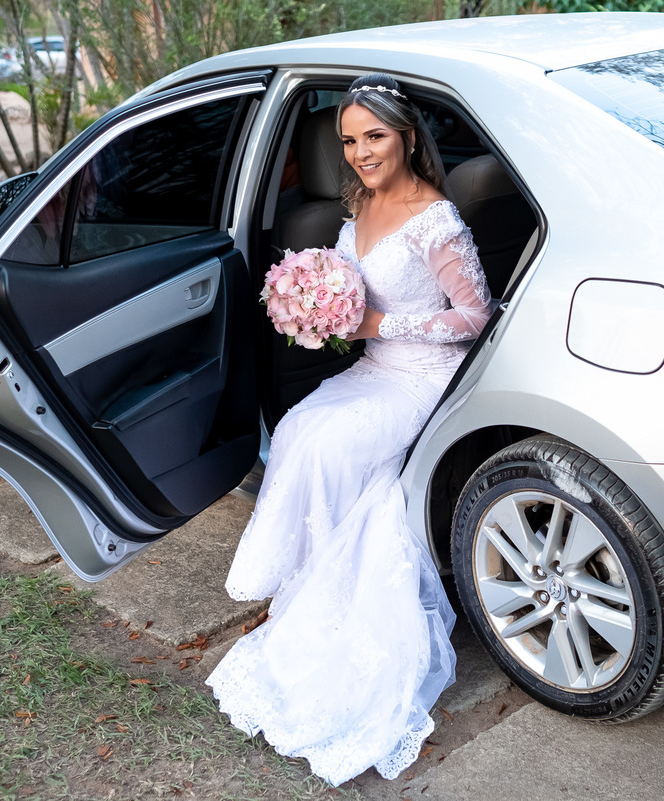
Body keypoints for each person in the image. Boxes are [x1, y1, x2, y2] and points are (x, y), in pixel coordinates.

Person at [204, 73, 493, 786]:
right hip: (375, 368)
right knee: (300, 426)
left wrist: (376, 323)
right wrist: (316, 314)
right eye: (350, 140)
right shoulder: (356, 207)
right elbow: (348, 290)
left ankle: (328, 608)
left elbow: (475, 317)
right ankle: (305, 591)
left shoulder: (438, 220)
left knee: (326, 441)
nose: (361, 152)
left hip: (424, 376)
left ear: (407, 137)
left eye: (375, 137)